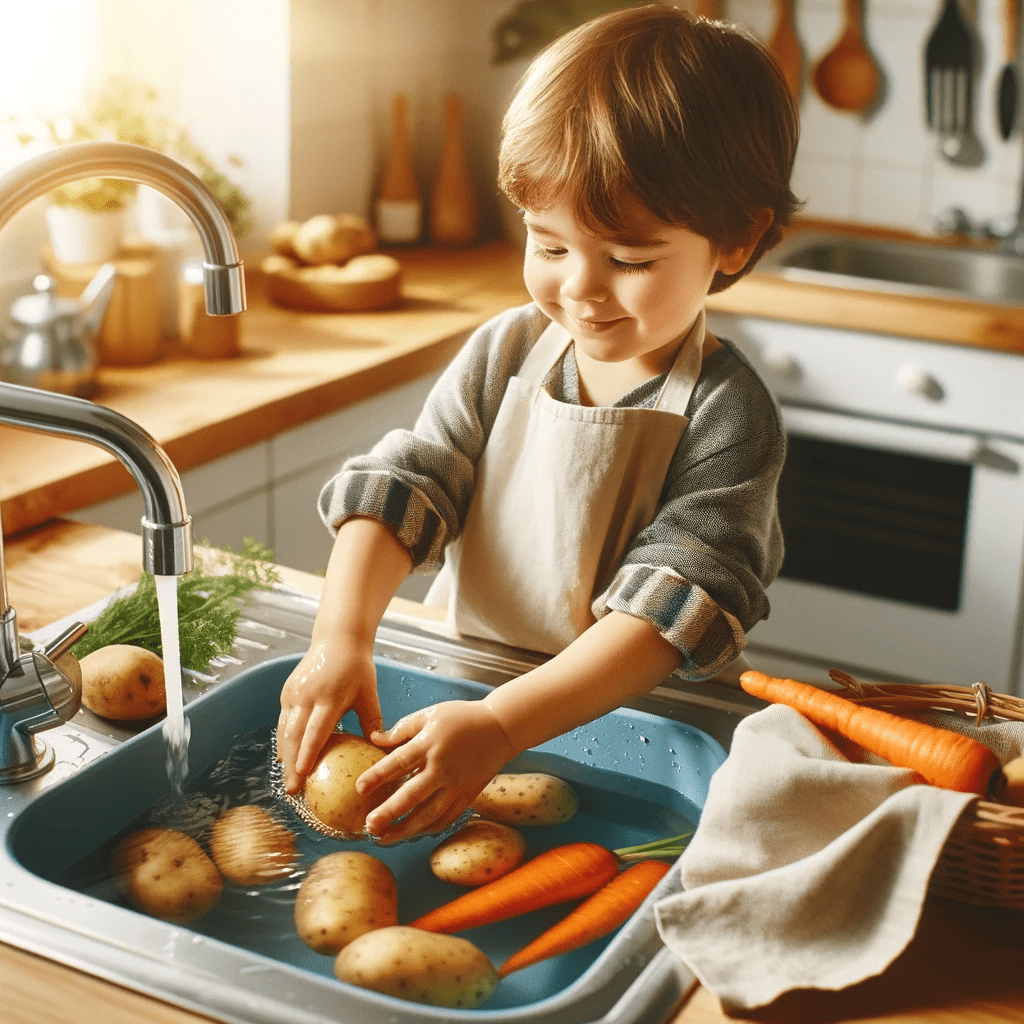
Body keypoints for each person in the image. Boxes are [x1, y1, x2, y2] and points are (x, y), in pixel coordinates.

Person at [277, 4, 801, 842]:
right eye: (548, 245)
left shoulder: (728, 413)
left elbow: (672, 611)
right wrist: (340, 637)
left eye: (628, 259)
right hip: (461, 696)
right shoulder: (508, 349)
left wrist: (504, 725)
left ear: (736, 242)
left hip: (634, 729)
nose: (580, 289)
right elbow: (407, 488)